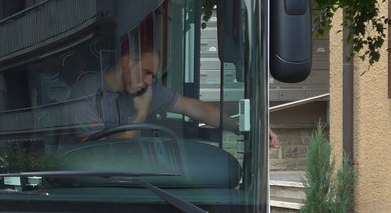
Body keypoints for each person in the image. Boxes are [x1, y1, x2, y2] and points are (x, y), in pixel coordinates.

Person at [70, 42, 275, 145]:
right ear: (126, 62)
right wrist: (141, 115)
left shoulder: (145, 89)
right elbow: (98, 153)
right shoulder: (84, 96)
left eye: (153, 76)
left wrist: (245, 128)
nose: (149, 81)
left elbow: (196, 109)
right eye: (147, 72)